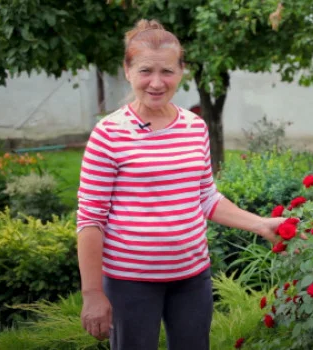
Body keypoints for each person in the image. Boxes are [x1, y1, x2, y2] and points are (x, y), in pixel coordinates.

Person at [76, 19, 295, 350]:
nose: (156, 82)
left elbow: (206, 197)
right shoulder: (109, 134)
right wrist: (93, 293)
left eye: (167, 71)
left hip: (192, 278)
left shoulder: (193, 127)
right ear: (128, 70)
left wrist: (261, 224)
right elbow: (90, 218)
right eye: (146, 70)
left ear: (181, 72)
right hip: (130, 282)